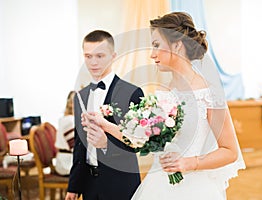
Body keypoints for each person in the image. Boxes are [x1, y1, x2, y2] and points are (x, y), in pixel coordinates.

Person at [129, 12, 245, 199]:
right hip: (158, 185)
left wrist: (190, 163)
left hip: (195, 188)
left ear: (177, 45)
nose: (152, 54)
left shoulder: (209, 93)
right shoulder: (164, 91)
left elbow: (230, 151)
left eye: (156, 45)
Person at [65, 30, 144, 200]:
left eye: (100, 56)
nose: (93, 62)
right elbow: (79, 146)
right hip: (89, 185)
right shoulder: (81, 95)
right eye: (88, 56)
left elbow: (138, 143)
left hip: (120, 182)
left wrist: (106, 144)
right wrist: (74, 186)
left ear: (113, 56)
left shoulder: (132, 93)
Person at [54, 90, 75, 176]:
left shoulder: (71, 119)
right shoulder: (69, 121)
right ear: (70, 103)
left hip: (69, 159)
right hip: (66, 163)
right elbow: (75, 147)